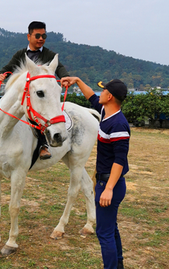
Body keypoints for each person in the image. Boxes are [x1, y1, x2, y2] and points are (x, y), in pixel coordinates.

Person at [61, 77, 130, 269]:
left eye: (104, 91)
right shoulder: (106, 112)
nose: (100, 94)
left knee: (104, 232)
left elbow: (120, 159)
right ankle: (118, 265)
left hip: (110, 185)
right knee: (111, 228)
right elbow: (91, 96)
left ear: (109, 96)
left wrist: (108, 189)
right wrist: (77, 81)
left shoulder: (118, 125)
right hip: (105, 183)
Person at [0, 21, 70, 160]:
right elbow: (9, 67)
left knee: (39, 118)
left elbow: (59, 68)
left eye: (44, 36)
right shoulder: (21, 54)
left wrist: (65, 77)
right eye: (37, 36)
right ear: (28, 36)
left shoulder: (49, 54)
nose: (41, 38)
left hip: (36, 98)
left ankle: (43, 146)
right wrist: (2, 74)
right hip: (20, 96)